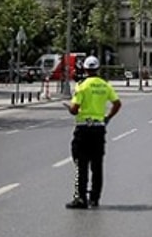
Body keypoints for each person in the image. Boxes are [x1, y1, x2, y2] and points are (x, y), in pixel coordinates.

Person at [65, 56, 122, 209]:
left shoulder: (81, 86)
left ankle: (81, 198)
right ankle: (95, 198)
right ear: (98, 69)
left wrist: (69, 107)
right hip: (99, 129)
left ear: (85, 69)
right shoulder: (105, 86)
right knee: (97, 165)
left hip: (83, 128)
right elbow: (117, 103)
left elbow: (74, 109)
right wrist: (107, 117)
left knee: (80, 164)